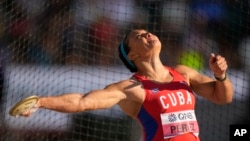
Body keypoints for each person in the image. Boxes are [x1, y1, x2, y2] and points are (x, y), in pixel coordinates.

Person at [20, 29, 234, 141]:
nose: (148, 34)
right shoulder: (131, 88)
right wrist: (41, 102)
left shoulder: (183, 73)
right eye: (139, 36)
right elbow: (81, 102)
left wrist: (221, 75)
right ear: (132, 54)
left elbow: (223, 97)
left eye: (148, 31)